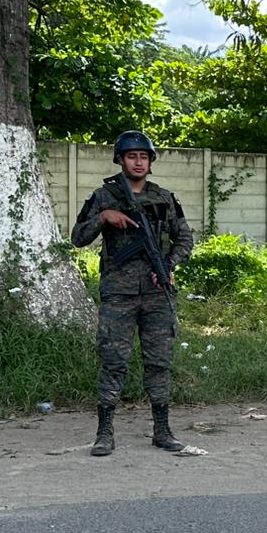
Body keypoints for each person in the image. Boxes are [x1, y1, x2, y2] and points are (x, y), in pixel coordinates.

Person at [71, 131, 196, 456]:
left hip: (157, 294)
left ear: (150, 161)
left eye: (144, 156)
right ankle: (104, 433)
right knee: (113, 361)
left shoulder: (165, 198)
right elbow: (77, 237)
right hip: (119, 294)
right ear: (121, 160)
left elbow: (185, 239)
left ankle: (162, 430)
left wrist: (168, 264)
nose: (138, 162)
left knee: (159, 362)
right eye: (132, 156)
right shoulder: (104, 195)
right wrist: (103, 218)